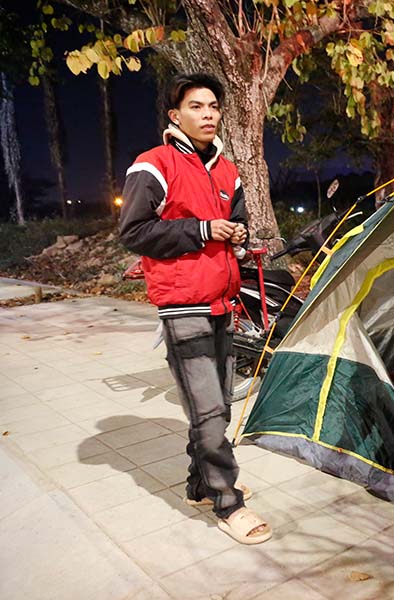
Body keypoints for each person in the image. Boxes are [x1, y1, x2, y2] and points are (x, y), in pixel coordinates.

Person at [119, 73, 272, 545]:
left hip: (222, 302)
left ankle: (198, 485)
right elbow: (134, 232)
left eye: (214, 107)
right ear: (176, 115)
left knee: (217, 405)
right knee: (208, 410)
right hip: (182, 305)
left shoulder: (228, 171)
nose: (208, 114)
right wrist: (203, 230)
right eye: (197, 106)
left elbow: (238, 221)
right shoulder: (154, 165)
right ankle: (229, 502)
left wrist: (239, 237)